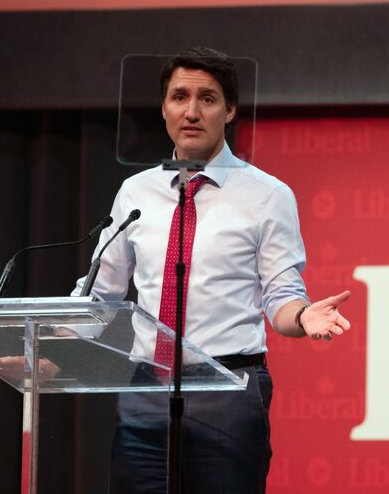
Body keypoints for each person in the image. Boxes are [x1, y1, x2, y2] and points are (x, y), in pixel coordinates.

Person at [74, 47, 351, 494]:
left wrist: (302, 317)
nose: (192, 110)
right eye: (179, 96)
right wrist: (45, 344)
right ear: (164, 108)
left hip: (229, 389)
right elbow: (100, 293)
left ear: (230, 110)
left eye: (207, 98)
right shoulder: (134, 191)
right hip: (146, 389)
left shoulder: (266, 194)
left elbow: (281, 294)